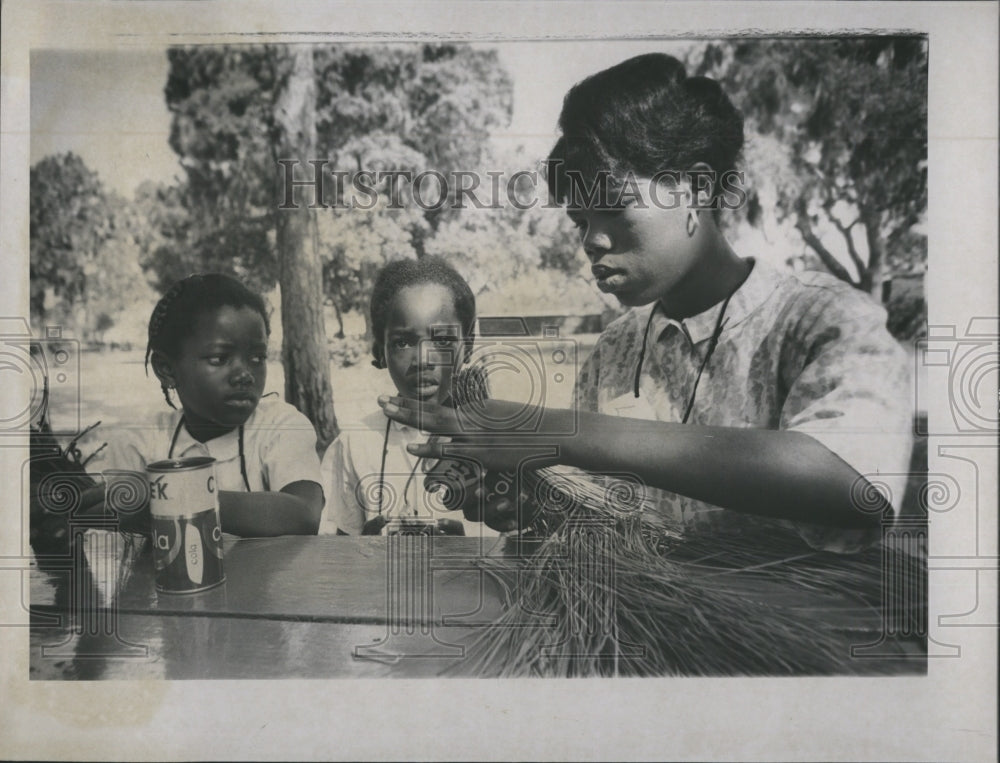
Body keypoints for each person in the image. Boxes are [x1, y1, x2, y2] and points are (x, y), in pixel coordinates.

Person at [378, 53, 913, 553]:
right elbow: (599, 517)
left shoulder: (823, 322)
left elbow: (852, 483)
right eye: (580, 221)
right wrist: (528, 505)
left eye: (614, 208)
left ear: (697, 188)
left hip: (802, 648)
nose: (591, 240)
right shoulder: (616, 350)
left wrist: (554, 430)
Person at [83, 273, 324, 536]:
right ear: (166, 370)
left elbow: (304, 514)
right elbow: (105, 532)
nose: (245, 374)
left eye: (257, 357)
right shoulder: (141, 442)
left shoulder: (280, 426)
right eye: (220, 359)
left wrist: (169, 497)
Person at [320, 257, 502, 538]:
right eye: (403, 342)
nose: (422, 360)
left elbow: (518, 547)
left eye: (442, 341)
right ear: (380, 351)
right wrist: (363, 547)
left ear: (468, 346)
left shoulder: (497, 440)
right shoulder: (355, 443)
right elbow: (337, 553)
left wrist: (465, 548)